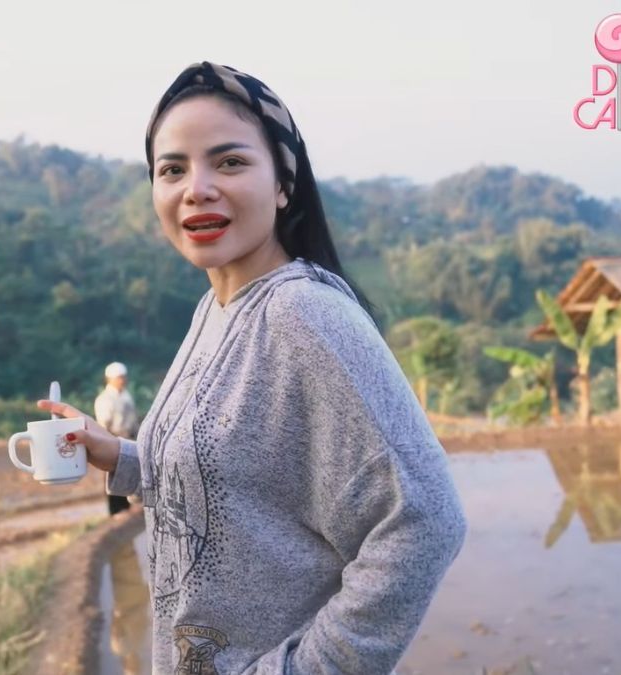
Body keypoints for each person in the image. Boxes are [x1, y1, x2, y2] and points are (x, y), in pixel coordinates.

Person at [37, 61, 466, 674]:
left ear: (283, 183)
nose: (196, 188)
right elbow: (239, 486)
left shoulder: (303, 314)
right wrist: (122, 457)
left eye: (230, 162)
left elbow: (425, 521)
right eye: (172, 169)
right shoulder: (214, 308)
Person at [95, 361, 140, 515]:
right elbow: (104, 425)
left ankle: (126, 507)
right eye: (120, 377)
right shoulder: (105, 399)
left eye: (123, 377)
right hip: (113, 439)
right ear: (110, 379)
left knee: (127, 472)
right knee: (113, 473)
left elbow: (133, 419)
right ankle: (115, 510)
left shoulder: (127, 396)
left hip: (128, 438)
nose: (123, 380)